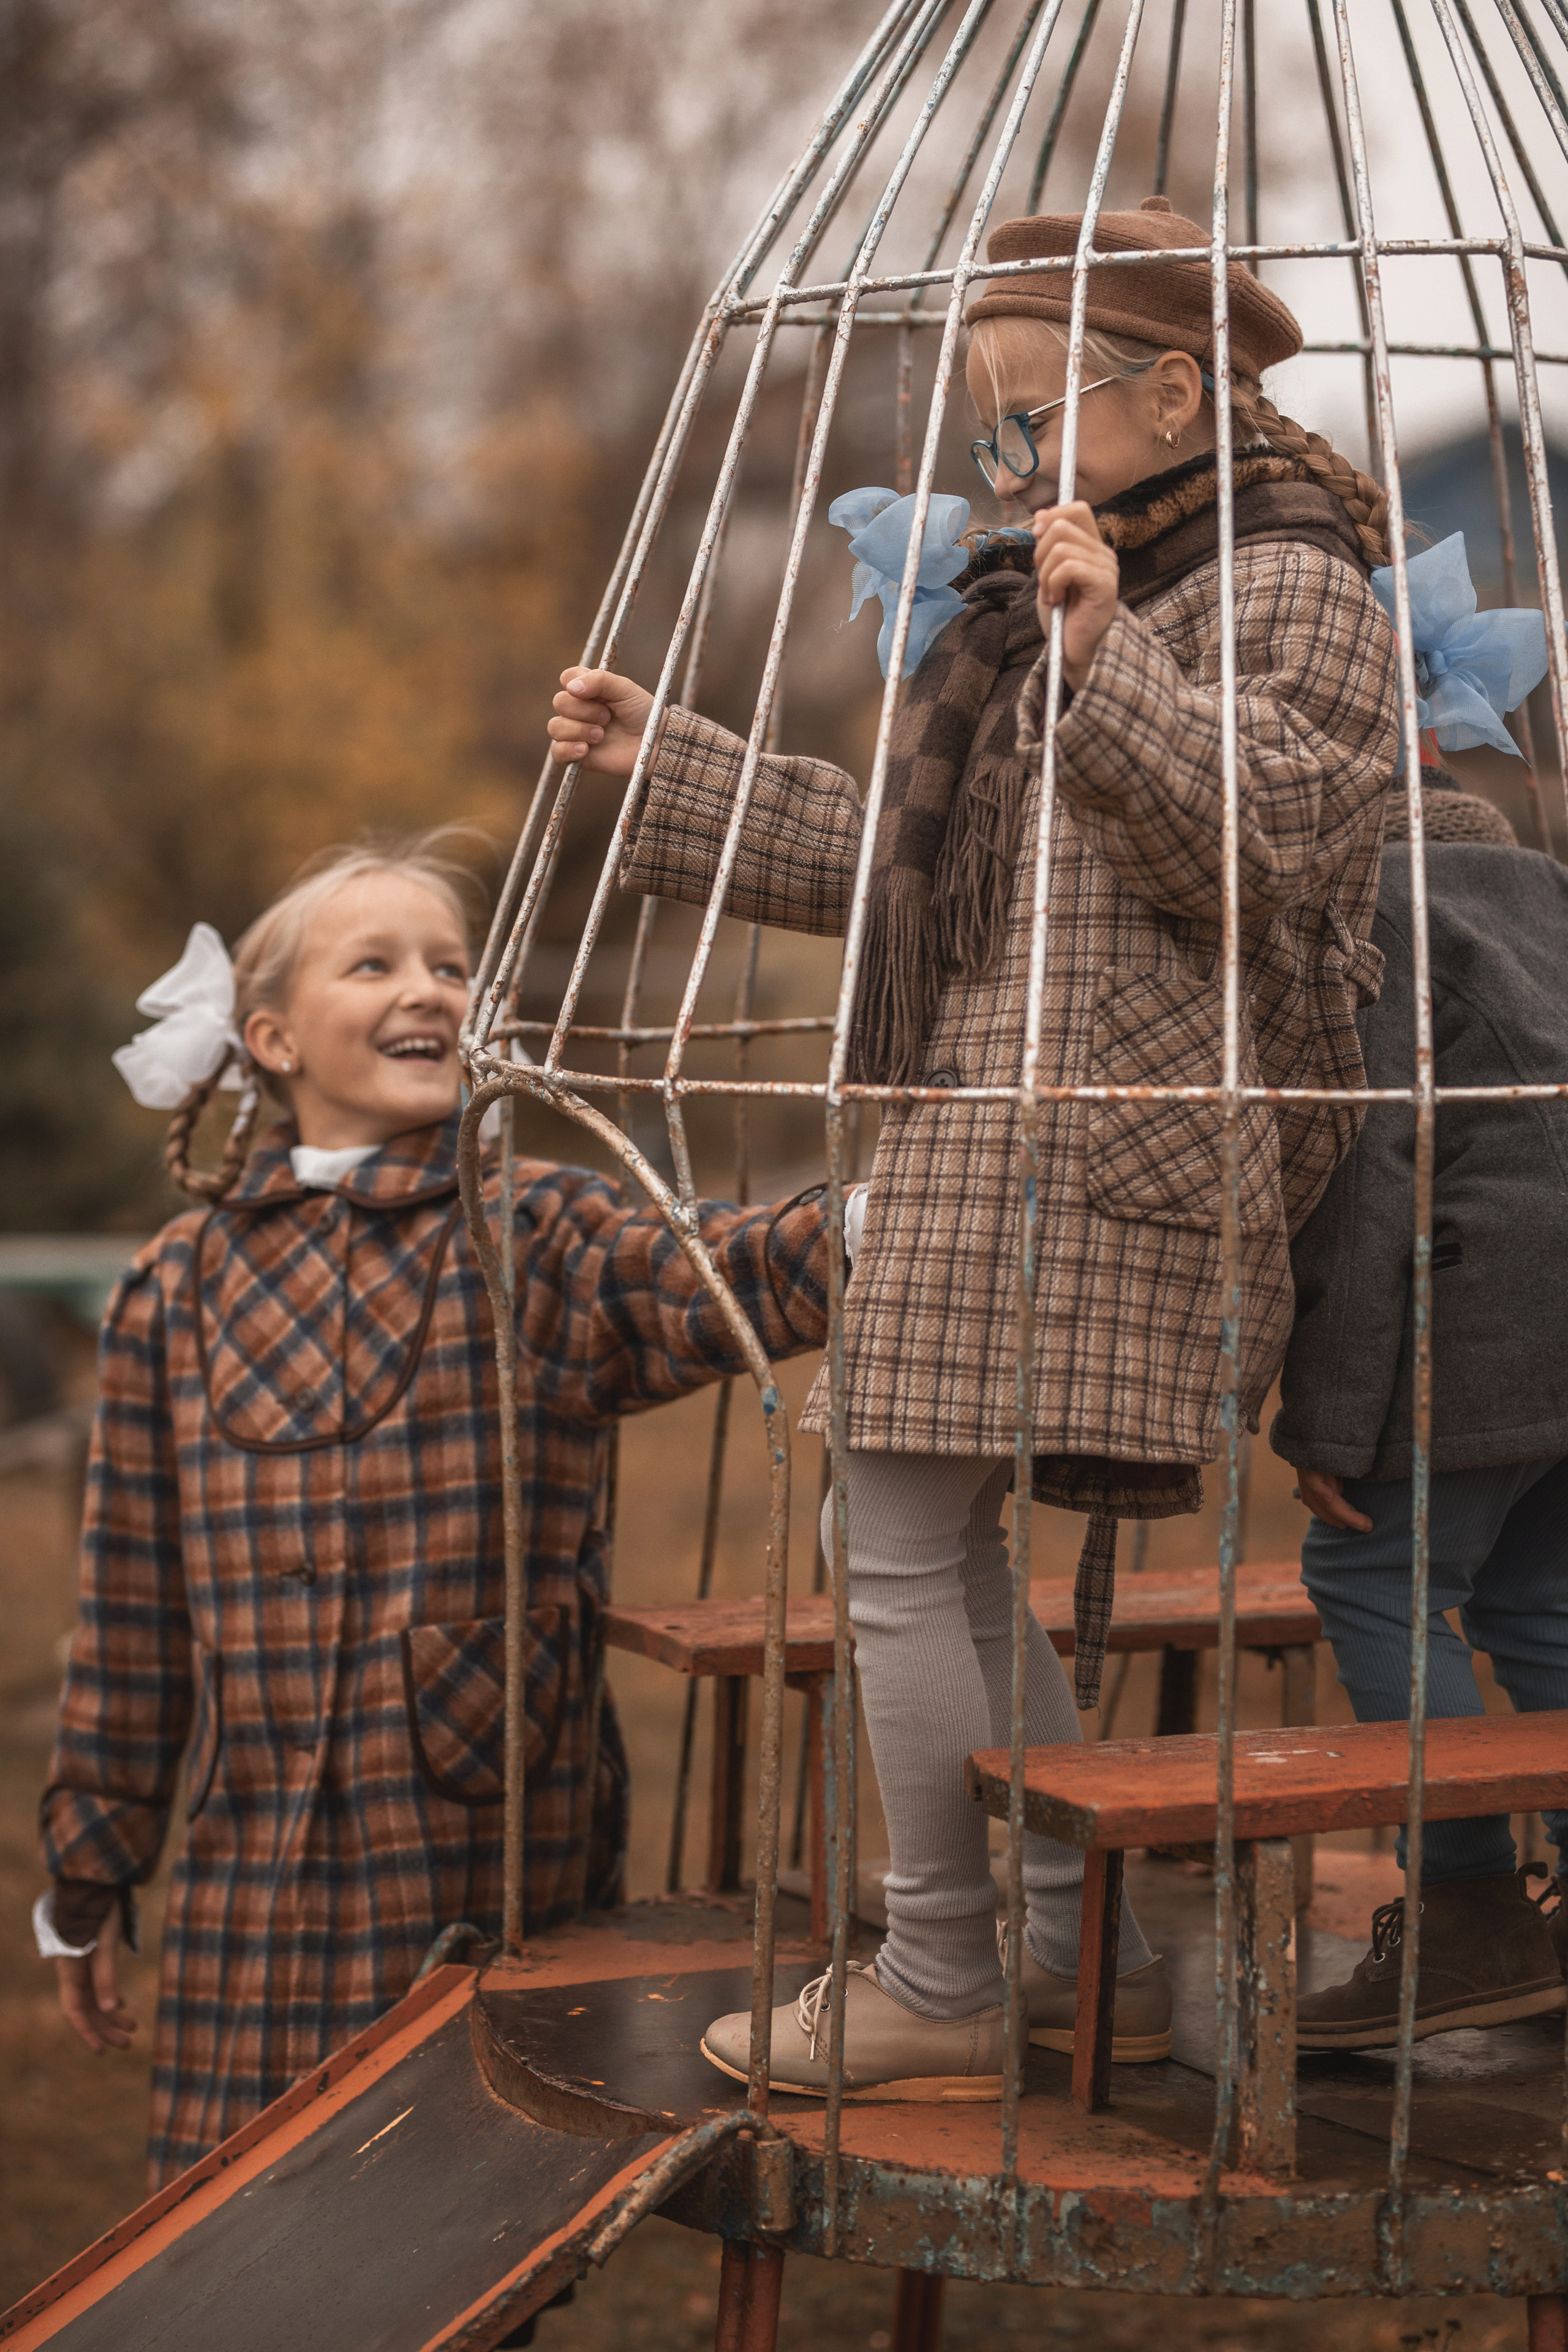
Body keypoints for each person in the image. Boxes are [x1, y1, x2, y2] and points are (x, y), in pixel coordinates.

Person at [547, 197, 1400, 2101]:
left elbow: (1281, 865)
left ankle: (950, 1965)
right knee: (908, 1530)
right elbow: (926, 876)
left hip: (1117, 1146)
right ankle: (1028, 1940)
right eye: (995, 433)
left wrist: (1115, 668)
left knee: (904, 1531)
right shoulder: (1048, 596)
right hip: (989, 1125)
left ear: (1173, 391)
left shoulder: (1295, 585)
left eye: (1032, 424)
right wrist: (669, 765)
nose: (1004, 468)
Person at [36, 837, 831, 2185]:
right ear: (271, 1036)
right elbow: (129, 1622)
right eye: (378, 963)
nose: (432, 990)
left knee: (446, 2223)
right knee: (246, 2226)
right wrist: (90, 1874)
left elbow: (708, 1270)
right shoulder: (172, 1290)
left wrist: (872, 1229)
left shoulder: (531, 1234)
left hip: (474, 1863)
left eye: (453, 966)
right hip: (252, 1884)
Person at [1273, 773, 1568, 2049]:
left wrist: (1328, 1424)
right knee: (1532, 1599)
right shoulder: (1549, 899)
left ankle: (1465, 1910)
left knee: (1366, 1573)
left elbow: (1375, 1166)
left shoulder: (1382, 907)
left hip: (1477, 1322)